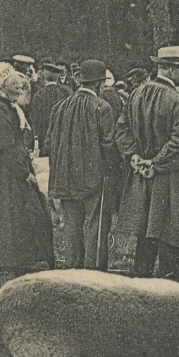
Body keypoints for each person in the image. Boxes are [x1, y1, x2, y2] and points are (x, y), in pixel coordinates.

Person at [113, 46, 179, 279]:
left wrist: (134, 157)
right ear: (167, 69)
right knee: (171, 234)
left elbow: (121, 129)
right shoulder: (177, 100)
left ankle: (141, 287)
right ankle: (172, 290)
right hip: (169, 178)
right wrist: (156, 163)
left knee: (145, 234)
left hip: (142, 177)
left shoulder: (136, 94)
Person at [0, 61, 54, 276]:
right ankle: (5, 260)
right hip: (2, 168)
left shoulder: (6, 106)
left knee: (15, 213)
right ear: (2, 89)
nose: (16, 98)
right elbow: (6, 145)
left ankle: (16, 257)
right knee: (5, 214)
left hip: (10, 163)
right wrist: (24, 173)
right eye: (14, 94)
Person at [45, 59, 119, 270]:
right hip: (95, 177)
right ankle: (94, 272)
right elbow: (108, 145)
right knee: (96, 226)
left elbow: (49, 141)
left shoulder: (60, 106)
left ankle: (72, 270)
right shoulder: (102, 107)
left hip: (64, 176)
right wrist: (113, 170)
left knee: (72, 227)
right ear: (99, 85)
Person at [28, 61, 71, 156]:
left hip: (44, 136)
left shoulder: (39, 94)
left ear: (45, 77)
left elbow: (34, 117)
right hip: (64, 136)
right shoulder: (66, 91)